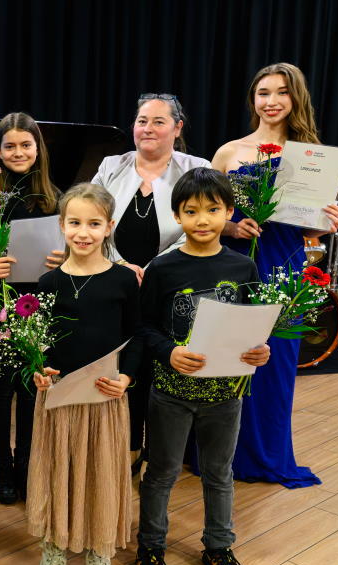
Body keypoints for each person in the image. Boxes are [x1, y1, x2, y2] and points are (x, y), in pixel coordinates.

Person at [134, 168, 270, 565]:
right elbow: (144, 327)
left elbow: (252, 328)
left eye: (213, 210)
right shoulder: (163, 268)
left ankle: (219, 548)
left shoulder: (243, 265)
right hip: (171, 392)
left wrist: (260, 350)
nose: (203, 219)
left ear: (228, 212)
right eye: (191, 211)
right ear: (177, 215)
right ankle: (150, 549)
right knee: (161, 472)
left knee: (218, 472)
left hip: (226, 393)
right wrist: (169, 351)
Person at [211, 63, 338, 488]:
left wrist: (327, 225)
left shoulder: (312, 155)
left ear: (295, 99)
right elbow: (207, 215)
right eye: (263, 92)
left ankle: (266, 455)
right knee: (226, 360)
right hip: (232, 264)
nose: (271, 101)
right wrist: (231, 227)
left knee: (275, 365)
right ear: (253, 100)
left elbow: (306, 228)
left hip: (283, 266)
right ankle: (214, 455)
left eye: (281, 93)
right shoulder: (229, 152)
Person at [27, 183, 141, 565]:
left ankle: (99, 554)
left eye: (94, 224)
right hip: (58, 400)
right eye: (74, 222)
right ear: (62, 225)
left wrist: (127, 377)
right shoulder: (48, 282)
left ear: (109, 226)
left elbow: (138, 335)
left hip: (105, 398)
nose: (83, 232)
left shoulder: (123, 280)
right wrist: (37, 369)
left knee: (102, 471)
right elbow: (35, 342)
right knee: (58, 470)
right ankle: (53, 553)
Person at [91, 95, 211, 464]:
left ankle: (160, 456)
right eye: (142, 120)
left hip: (170, 286)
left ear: (177, 127)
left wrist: (154, 266)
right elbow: (91, 215)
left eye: (159, 121)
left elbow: (199, 224)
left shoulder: (196, 168)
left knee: (157, 366)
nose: (148, 128)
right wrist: (121, 263)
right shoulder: (112, 165)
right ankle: (120, 450)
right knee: (121, 367)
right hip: (114, 281)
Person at [0, 112, 62, 503]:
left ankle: (27, 462)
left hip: (40, 301)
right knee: (2, 383)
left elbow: (76, 248)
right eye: (9, 146)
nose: (18, 152)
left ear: (38, 149)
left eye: (26, 144)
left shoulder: (56, 197)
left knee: (31, 384)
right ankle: (1, 463)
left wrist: (65, 258)